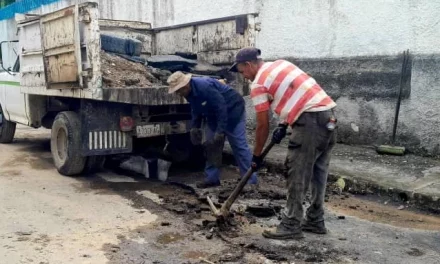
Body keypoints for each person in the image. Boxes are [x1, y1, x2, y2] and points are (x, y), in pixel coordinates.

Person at [230, 48, 337, 240]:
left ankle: (290, 225)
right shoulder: (281, 64)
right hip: (327, 116)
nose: (244, 76)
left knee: (297, 172)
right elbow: (296, 92)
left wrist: (256, 155)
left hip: (309, 122)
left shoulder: (258, 84)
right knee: (318, 173)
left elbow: (262, 125)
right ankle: (315, 220)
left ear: (249, 64)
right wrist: (284, 123)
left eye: (241, 71)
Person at [167, 71, 257, 188]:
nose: (178, 93)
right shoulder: (187, 93)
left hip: (233, 110)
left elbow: (221, 107)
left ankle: (251, 181)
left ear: (186, 85)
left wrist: (220, 132)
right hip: (214, 115)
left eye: (179, 90)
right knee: (211, 146)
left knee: (239, 146)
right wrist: (195, 127)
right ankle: (212, 179)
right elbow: (196, 109)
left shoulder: (204, 87)